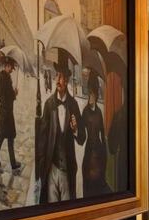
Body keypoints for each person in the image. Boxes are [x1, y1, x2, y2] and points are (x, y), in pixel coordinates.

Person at [38, 61, 84, 203]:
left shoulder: (73, 105)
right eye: (57, 76)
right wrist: (40, 169)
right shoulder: (49, 104)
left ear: (67, 80)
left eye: (61, 77)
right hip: (51, 168)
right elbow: (42, 139)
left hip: (67, 169)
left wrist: (76, 129)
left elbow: (82, 138)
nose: (58, 80)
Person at [80, 73, 108, 196]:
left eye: (92, 94)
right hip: (89, 149)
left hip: (99, 149)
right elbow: (81, 134)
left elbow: (102, 132)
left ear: (96, 96)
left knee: (99, 180)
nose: (90, 97)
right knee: (87, 177)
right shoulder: (85, 112)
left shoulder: (99, 112)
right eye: (89, 93)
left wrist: (104, 151)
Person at [0, 56, 21, 172]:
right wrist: (14, 94)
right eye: (11, 68)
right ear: (7, 66)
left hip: (4, 111)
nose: (11, 70)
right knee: (10, 137)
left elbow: (1, 95)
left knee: (3, 135)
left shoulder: (2, 76)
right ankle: (13, 163)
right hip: (7, 112)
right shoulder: (4, 77)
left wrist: (12, 94)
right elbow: (4, 95)